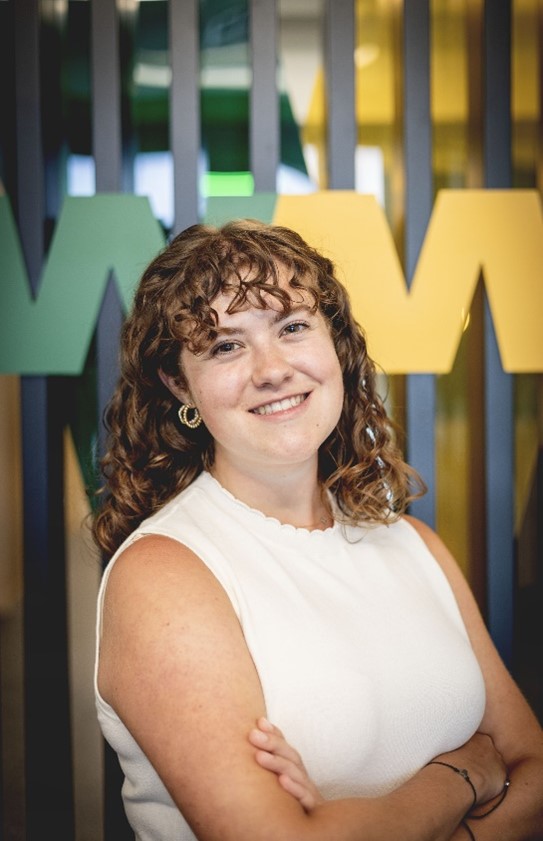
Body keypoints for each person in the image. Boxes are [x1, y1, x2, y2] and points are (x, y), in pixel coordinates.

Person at [93, 219, 543, 841]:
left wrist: (358, 822)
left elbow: (535, 773)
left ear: (335, 345)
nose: (271, 369)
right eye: (225, 346)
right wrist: (464, 773)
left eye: (292, 327)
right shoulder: (164, 574)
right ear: (180, 385)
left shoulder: (415, 546)